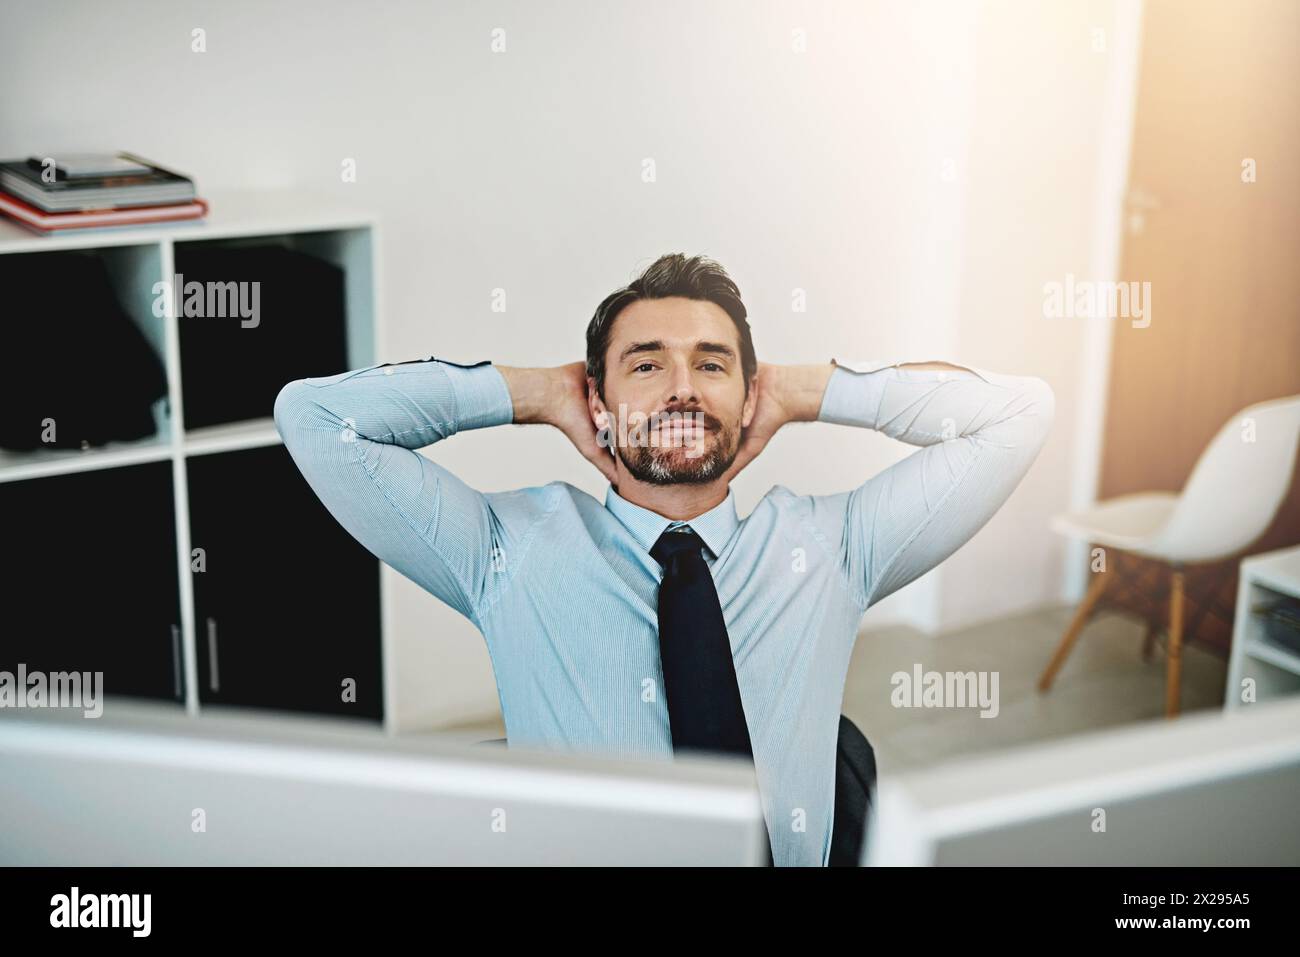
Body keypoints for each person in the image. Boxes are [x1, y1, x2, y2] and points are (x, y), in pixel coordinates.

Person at [273, 253, 1055, 866]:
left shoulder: (830, 548)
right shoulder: (509, 551)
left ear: (749, 397)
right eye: (646, 364)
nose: (682, 388)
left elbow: (1019, 415)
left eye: (712, 364)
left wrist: (805, 389)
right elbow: (314, 417)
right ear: (599, 400)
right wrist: (536, 393)